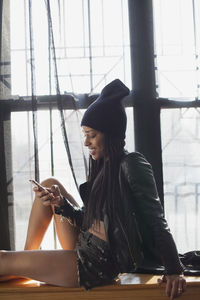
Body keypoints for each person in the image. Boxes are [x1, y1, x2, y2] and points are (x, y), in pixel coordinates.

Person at [0, 79, 186, 299]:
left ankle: (21, 263)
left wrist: (174, 270)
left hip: (96, 263)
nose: (86, 143)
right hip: (85, 243)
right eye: (85, 135)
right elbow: (92, 221)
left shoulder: (132, 164)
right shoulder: (102, 167)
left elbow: (157, 221)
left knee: (3, 260)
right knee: (51, 184)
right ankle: (25, 259)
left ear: (111, 133)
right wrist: (61, 204)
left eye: (92, 135)